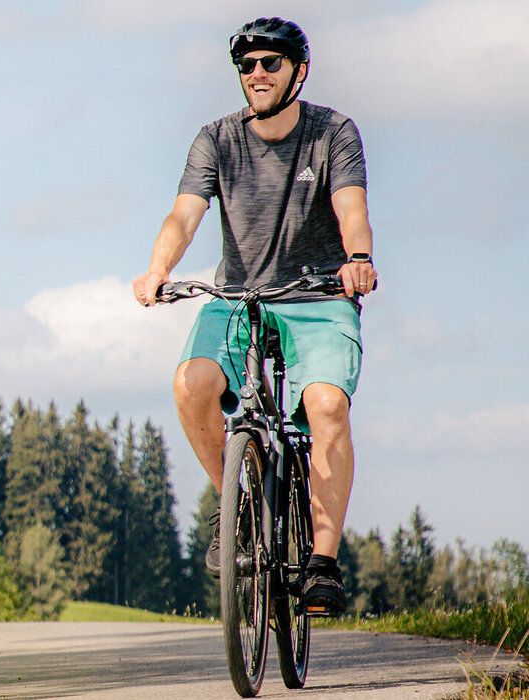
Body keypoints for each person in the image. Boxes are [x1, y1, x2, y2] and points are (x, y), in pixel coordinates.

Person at [132, 17, 376, 616]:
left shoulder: (331, 133)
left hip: (317, 296)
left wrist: (360, 259)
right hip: (239, 296)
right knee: (191, 385)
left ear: (298, 70)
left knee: (326, 406)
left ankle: (321, 562)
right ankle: (236, 505)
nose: (257, 74)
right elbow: (184, 216)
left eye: (270, 63)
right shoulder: (216, 139)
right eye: (247, 66)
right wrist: (157, 269)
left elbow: (352, 209)